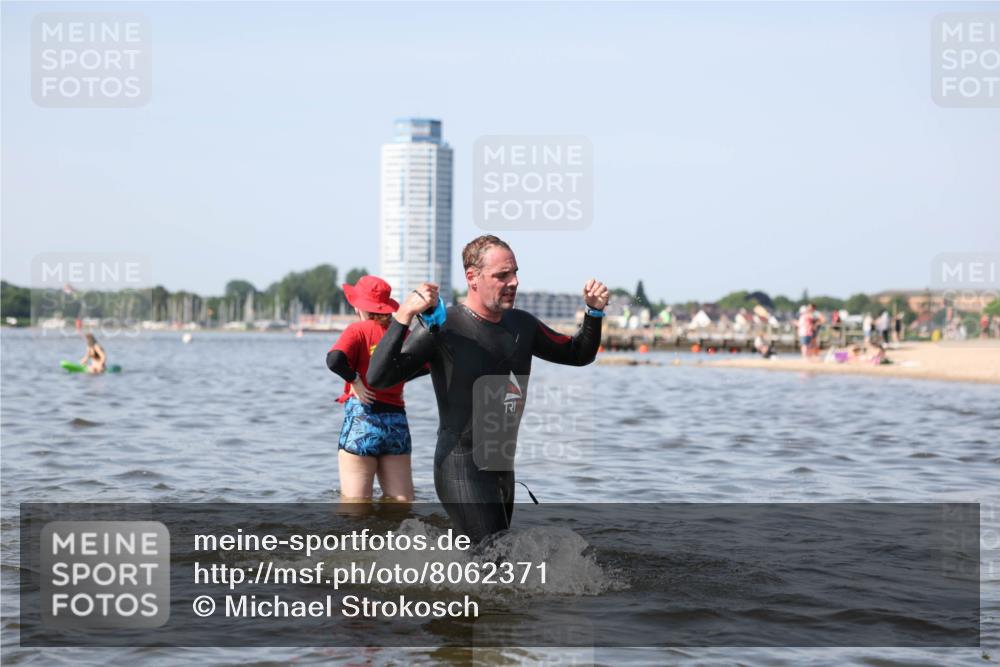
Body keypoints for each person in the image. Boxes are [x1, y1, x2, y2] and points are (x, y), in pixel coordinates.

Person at [368, 235, 608, 543]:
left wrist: (594, 313)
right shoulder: (444, 327)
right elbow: (379, 377)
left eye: (515, 273)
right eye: (502, 275)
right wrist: (403, 316)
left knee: (489, 562)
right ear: (472, 277)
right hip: (460, 466)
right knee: (494, 561)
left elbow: (577, 354)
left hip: (502, 469)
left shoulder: (522, 325)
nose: (514, 282)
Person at [326, 275, 427, 502]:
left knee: (356, 505)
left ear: (358, 306)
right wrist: (396, 377)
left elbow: (334, 360)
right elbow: (427, 365)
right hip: (396, 424)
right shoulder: (403, 335)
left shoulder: (357, 330)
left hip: (363, 421)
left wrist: (355, 380)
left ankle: (360, 539)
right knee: (402, 501)